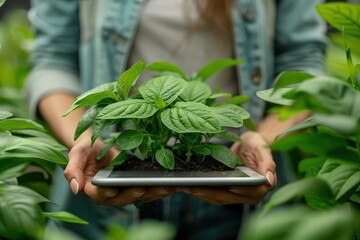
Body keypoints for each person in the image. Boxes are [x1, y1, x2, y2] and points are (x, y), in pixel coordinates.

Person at [25, 0, 327, 239]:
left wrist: (262, 137)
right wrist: (87, 139)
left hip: (234, 180)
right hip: (115, 181)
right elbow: (53, 58)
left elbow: (303, 64)